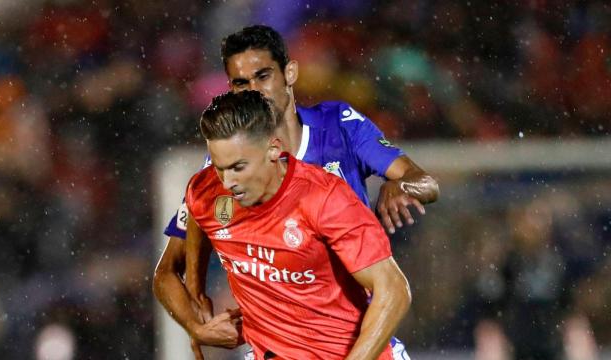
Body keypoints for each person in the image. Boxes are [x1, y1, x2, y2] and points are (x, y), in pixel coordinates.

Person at [153, 25, 438, 358]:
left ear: (289, 73)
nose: (254, 91)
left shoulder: (338, 128)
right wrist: (196, 323)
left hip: (355, 328)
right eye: (241, 83)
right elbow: (171, 267)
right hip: (278, 345)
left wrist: (400, 184)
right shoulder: (218, 174)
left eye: (262, 76)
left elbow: (426, 183)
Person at [187, 90, 412, 360]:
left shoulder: (322, 197)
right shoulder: (204, 193)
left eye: (238, 167)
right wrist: (196, 327)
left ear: (273, 148)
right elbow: (170, 271)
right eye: (219, 168)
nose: (227, 182)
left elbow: (394, 291)